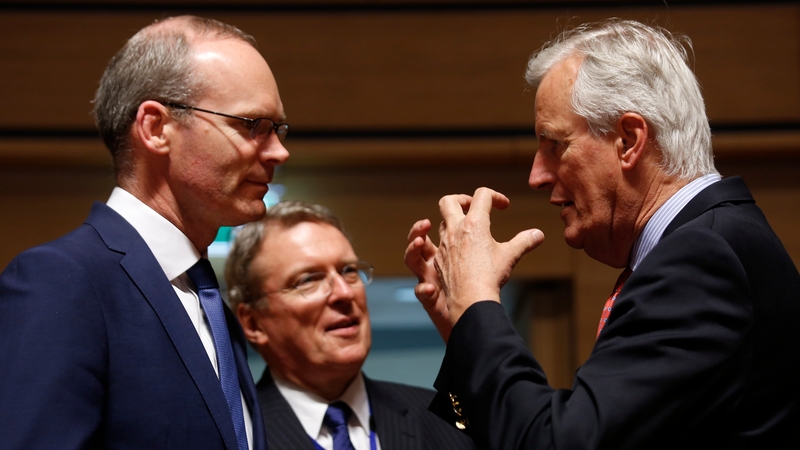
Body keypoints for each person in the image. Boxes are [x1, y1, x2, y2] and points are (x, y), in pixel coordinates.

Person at [404, 19, 800, 449]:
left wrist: (477, 301)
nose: (536, 175)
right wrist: (463, 328)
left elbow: (559, 442)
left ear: (629, 140)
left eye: (555, 144)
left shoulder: (703, 257)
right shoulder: (710, 242)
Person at [0, 15, 289, 450]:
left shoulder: (208, 299)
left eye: (279, 130)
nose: (279, 151)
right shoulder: (62, 280)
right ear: (156, 128)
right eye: (252, 125)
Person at [226, 201, 476, 450]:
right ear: (253, 322)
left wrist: (464, 327)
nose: (344, 293)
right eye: (308, 279)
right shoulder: (235, 437)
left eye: (348, 271)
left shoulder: (446, 421)